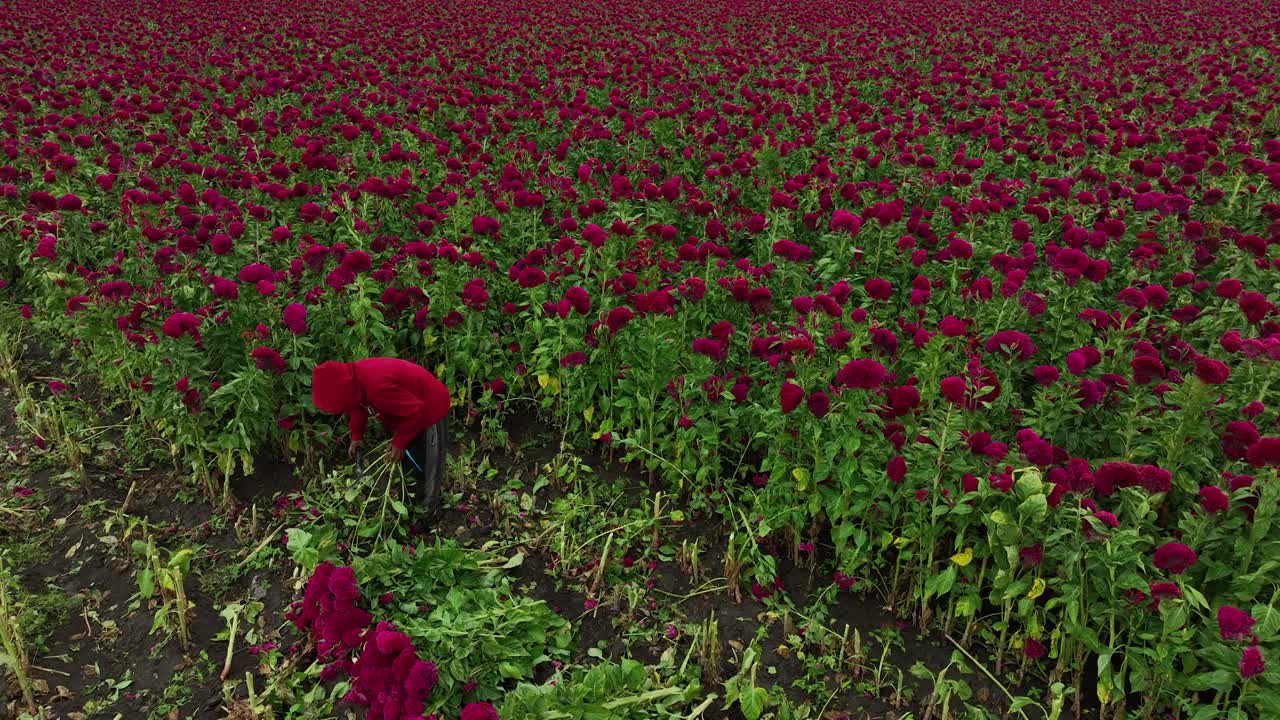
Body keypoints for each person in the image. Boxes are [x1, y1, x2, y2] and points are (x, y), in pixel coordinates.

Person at [310, 357, 450, 509]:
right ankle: (413, 500)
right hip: (409, 414)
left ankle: (429, 510)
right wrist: (356, 435)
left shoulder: (377, 386)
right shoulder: (353, 380)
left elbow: (417, 412)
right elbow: (358, 407)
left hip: (431, 410)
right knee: (411, 459)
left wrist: (399, 441)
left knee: (429, 464)